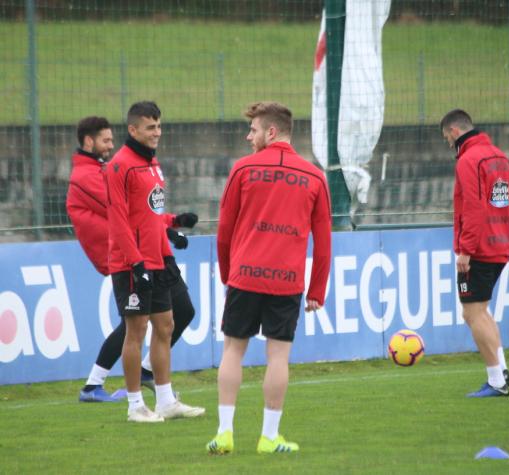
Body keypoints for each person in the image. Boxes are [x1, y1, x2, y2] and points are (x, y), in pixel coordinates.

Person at [206, 102, 332, 455]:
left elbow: (224, 230)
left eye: (254, 130)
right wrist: (317, 290)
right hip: (286, 281)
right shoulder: (314, 177)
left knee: (233, 350)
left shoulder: (243, 169)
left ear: (271, 132)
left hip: (245, 276)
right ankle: (269, 437)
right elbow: (323, 241)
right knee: (278, 357)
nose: (249, 137)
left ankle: (225, 433)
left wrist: (229, 273)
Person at [66, 116, 199, 403]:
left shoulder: (120, 167)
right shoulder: (90, 176)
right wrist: (168, 230)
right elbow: (123, 216)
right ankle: (100, 387)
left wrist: (172, 222)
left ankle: (146, 374)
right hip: (128, 256)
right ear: (88, 142)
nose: (111, 145)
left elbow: (143, 212)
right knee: (135, 326)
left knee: (181, 312)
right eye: (105, 140)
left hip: (151, 250)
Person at [106, 102, 205, 422]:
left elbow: (149, 214)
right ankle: (135, 405)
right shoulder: (120, 166)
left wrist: (174, 223)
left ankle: (165, 400)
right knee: (136, 330)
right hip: (132, 263)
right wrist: (135, 263)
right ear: (133, 130)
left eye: (159, 126)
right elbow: (119, 221)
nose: (157, 133)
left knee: (166, 326)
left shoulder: (152, 164)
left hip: (158, 258)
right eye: (150, 127)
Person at [440, 109, 509, 398]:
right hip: (500, 243)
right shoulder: (499, 156)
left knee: (472, 312)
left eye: (447, 137)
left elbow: (472, 207)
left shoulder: (468, 160)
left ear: (455, 132)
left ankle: (496, 380)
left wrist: (465, 250)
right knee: (480, 310)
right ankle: (502, 371)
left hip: (479, 247)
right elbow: (507, 204)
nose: (448, 143)